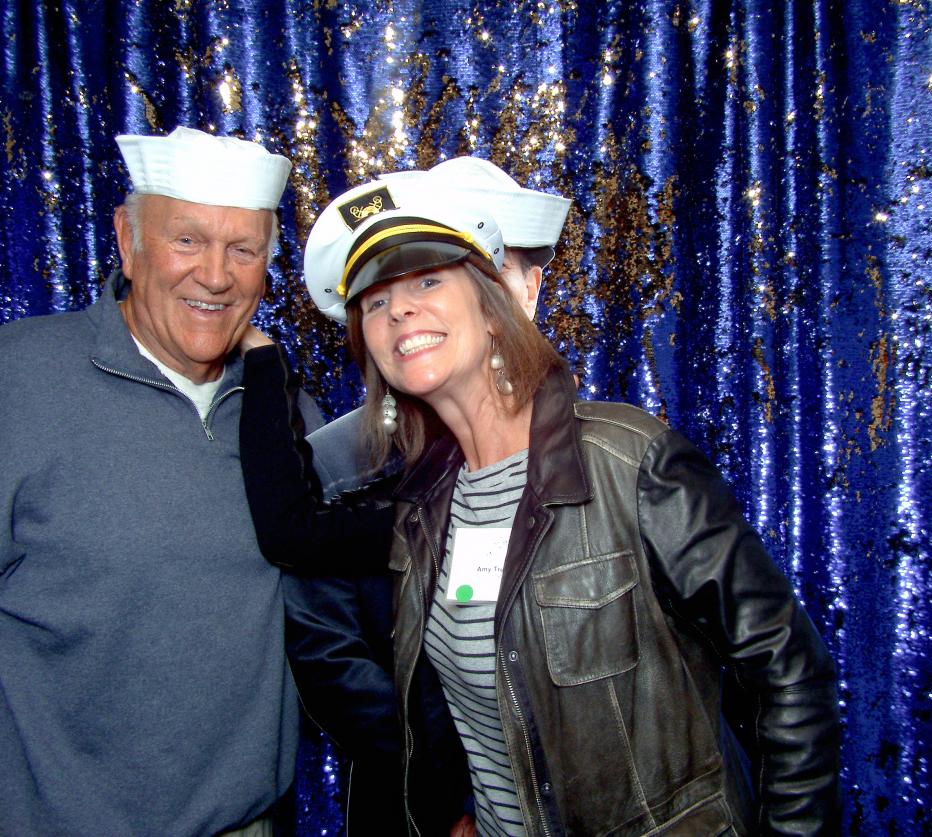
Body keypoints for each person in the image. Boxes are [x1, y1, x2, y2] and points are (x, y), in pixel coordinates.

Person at [238, 181, 842, 835]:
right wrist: (458, 810)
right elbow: (293, 534)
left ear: (493, 309)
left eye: (427, 281)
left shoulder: (626, 461)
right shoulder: (421, 513)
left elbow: (788, 671)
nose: (399, 310)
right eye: (375, 302)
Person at [0, 126, 342, 835]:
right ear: (127, 241)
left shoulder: (289, 416)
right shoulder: (17, 380)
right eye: (187, 240)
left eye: (243, 250)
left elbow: (336, 631)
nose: (215, 276)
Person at [281, 158, 571, 836]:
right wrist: (448, 796)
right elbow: (331, 659)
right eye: (388, 292)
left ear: (525, 291)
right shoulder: (336, 467)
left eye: (497, 270)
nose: (416, 306)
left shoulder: (602, 453)